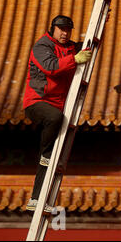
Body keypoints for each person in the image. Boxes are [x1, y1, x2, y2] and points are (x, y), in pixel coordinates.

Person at [23, 15, 92, 212]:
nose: (64, 33)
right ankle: (45, 153)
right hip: (37, 102)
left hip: (58, 105)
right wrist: (74, 59)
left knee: (49, 161)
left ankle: (36, 199)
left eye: (68, 30)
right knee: (54, 120)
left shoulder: (70, 47)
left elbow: (87, 46)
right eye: (61, 29)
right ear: (52, 28)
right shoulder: (42, 46)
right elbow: (51, 67)